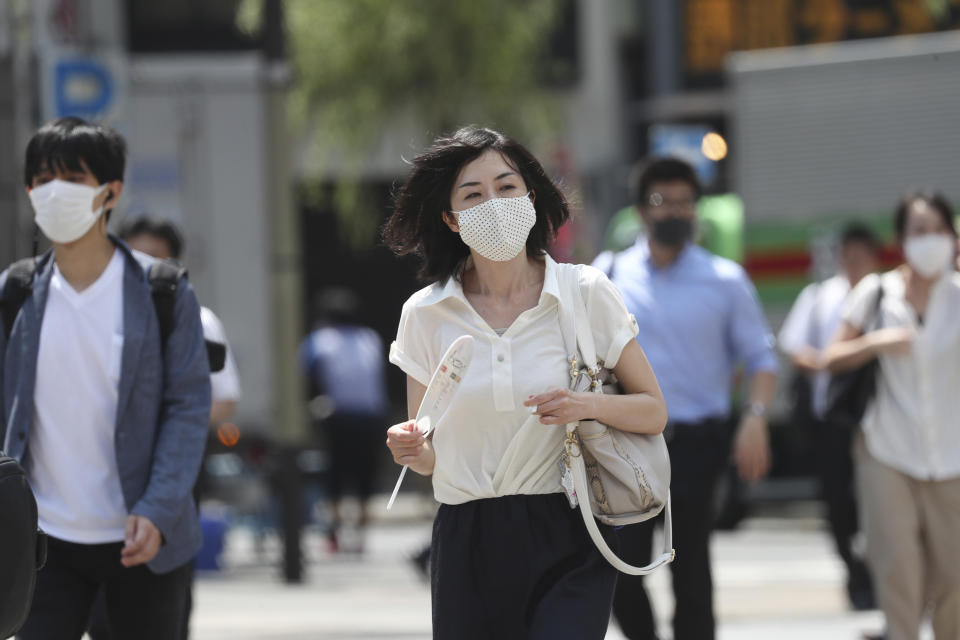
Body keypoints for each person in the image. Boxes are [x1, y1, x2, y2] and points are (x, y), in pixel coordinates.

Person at [382, 126, 668, 639]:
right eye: (473, 194)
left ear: (531, 197)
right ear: (451, 218)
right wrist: (409, 448)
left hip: (571, 525)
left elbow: (652, 410)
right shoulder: (426, 314)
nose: (493, 202)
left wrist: (586, 405)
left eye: (506, 186)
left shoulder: (584, 293)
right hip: (467, 536)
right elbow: (429, 456)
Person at [0, 117, 210, 639]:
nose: (54, 193)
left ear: (109, 192)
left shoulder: (163, 292)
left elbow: (187, 406)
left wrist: (158, 509)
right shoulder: (15, 293)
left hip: (143, 540)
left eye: (72, 179)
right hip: (41, 543)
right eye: (42, 179)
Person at [594, 157, 777, 640]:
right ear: (640, 210)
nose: (672, 212)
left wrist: (755, 418)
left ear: (696, 210)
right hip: (624, 442)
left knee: (690, 563)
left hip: (698, 441)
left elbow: (761, 358)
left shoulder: (724, 279)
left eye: (683, 202)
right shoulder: (606, 276)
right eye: (661, 202)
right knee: (618, 564)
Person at [84, 215, 242, 640]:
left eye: (152, 256)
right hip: (100, 482)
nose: (140, 264)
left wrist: (170, 424)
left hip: (172, 474)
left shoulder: (196, 316)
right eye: (131, 254)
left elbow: (223, 400)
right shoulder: (94, 313)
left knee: (164, 597)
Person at [825, 191, 960, 640]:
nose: (932, 240)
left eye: (940, 229)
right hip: (886, 451)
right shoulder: (876, 291)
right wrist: (875, 343)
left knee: (954, 577)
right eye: (920, 231)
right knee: (898, 571)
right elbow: (834, 356)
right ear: (902, 239)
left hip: (953, 456)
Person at [778, 223, 879, 610]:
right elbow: (794, 345)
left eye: (861, 256)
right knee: (839, 502)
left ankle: (878, 574)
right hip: (832, 419)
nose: (854, 263)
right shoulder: (821, 296)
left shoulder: (884, 295)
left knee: (877, 503)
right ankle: (855, 574)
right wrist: (829, 361)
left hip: (878, 423)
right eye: (848, 255)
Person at [299, 287, 388, 553]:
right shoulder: (370, 338)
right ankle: (360, 538)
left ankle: (334, 536)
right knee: (365, 475)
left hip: (337, 415)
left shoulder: (319, 340)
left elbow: (305, 373)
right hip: (371, 416)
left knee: (335, 475)